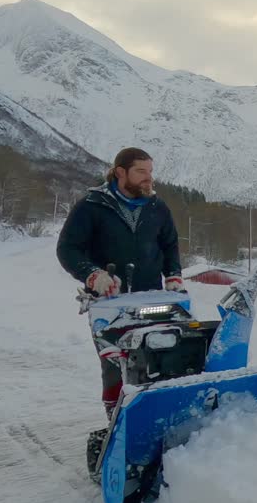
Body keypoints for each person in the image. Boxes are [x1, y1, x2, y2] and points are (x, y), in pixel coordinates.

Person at [57, 146, 183, 416]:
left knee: (161, 355)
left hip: (152, 299)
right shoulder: (92, 206)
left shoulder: (157, 207)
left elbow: (170, 244)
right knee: (116, 363)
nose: (148, 178)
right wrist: (93, 273)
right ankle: (116, 421)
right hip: (109, 303)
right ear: (120, 172)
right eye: (141, 172)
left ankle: (157, 416)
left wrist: (173, 275)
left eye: (150, 171)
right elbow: (68, 249)